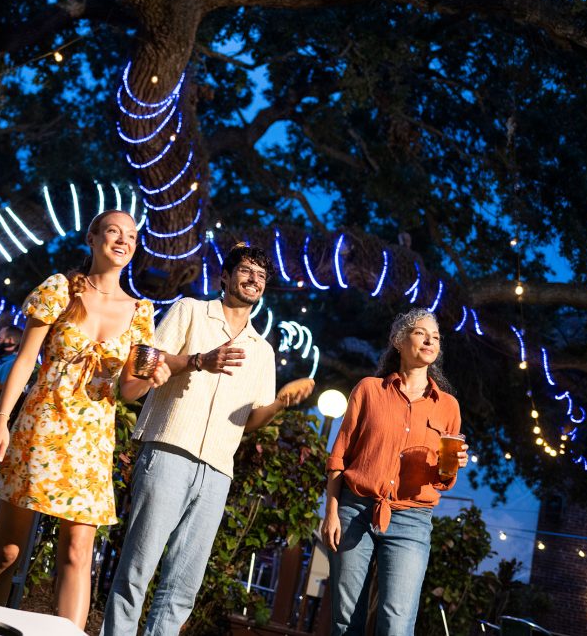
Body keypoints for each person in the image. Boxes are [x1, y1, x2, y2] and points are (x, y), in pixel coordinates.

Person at [101, 244, 315, 636]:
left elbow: (250, 421)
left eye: (261, 276)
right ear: (225, 277)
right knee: (138, 566)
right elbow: (148, 364)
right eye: (246, 271)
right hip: (169, 449)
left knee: (183, 584)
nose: (253, 280)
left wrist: (281, 403)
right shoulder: (190, 311)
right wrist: (200, 360)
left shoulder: (262, 351)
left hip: (217, 470)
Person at [0, 210, 170, 630]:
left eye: (131, 235)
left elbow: (128, 390)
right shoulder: (60, 289)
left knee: (77, 552)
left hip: (92, 440)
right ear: (93, 238)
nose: (123, 240)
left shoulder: (141, 312)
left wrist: (151, 379)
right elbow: (25, 360)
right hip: (41, 427)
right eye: (114, 231)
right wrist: (0, 421)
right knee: (8, 550)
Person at [322, 308, 469, 636]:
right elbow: (339, 456)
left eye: (435, 337)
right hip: (355, 510)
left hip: (412, 521)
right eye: (420, 333)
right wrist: (331, 512)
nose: (430, 341)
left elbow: (443, 480)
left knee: (397, 624)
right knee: (346, 620)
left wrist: (452, 466)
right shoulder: (369, 390)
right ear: (398, 341)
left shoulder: (448, 406)